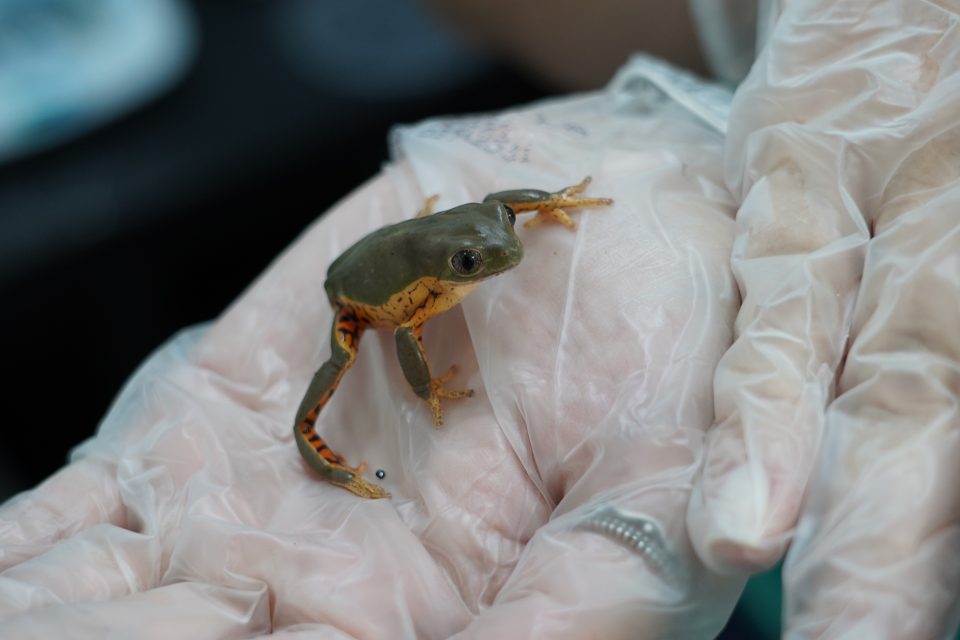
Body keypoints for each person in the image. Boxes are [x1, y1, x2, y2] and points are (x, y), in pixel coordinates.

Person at [1, 1, 958, 638]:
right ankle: (321, 453)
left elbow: (494, 215)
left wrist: (557, 200)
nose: (497, 261)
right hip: (357, 293)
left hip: (435, 239)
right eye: (476, 264)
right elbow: (408, 335)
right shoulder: (413, 302)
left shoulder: (484, 236)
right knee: (326, 390)